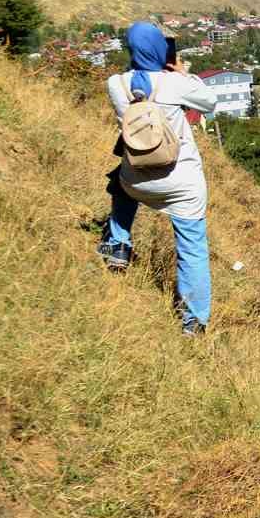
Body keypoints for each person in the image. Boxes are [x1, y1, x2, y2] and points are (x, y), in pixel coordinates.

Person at [99, 22, 218, 334]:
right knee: (192, 248)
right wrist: (180, 73)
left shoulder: (117, 83)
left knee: (119, 182)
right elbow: (210, 102)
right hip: (181, 182)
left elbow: (136, 91)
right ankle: (194, 322)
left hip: (137, 177)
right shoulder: (173, 84)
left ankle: (118, 245)